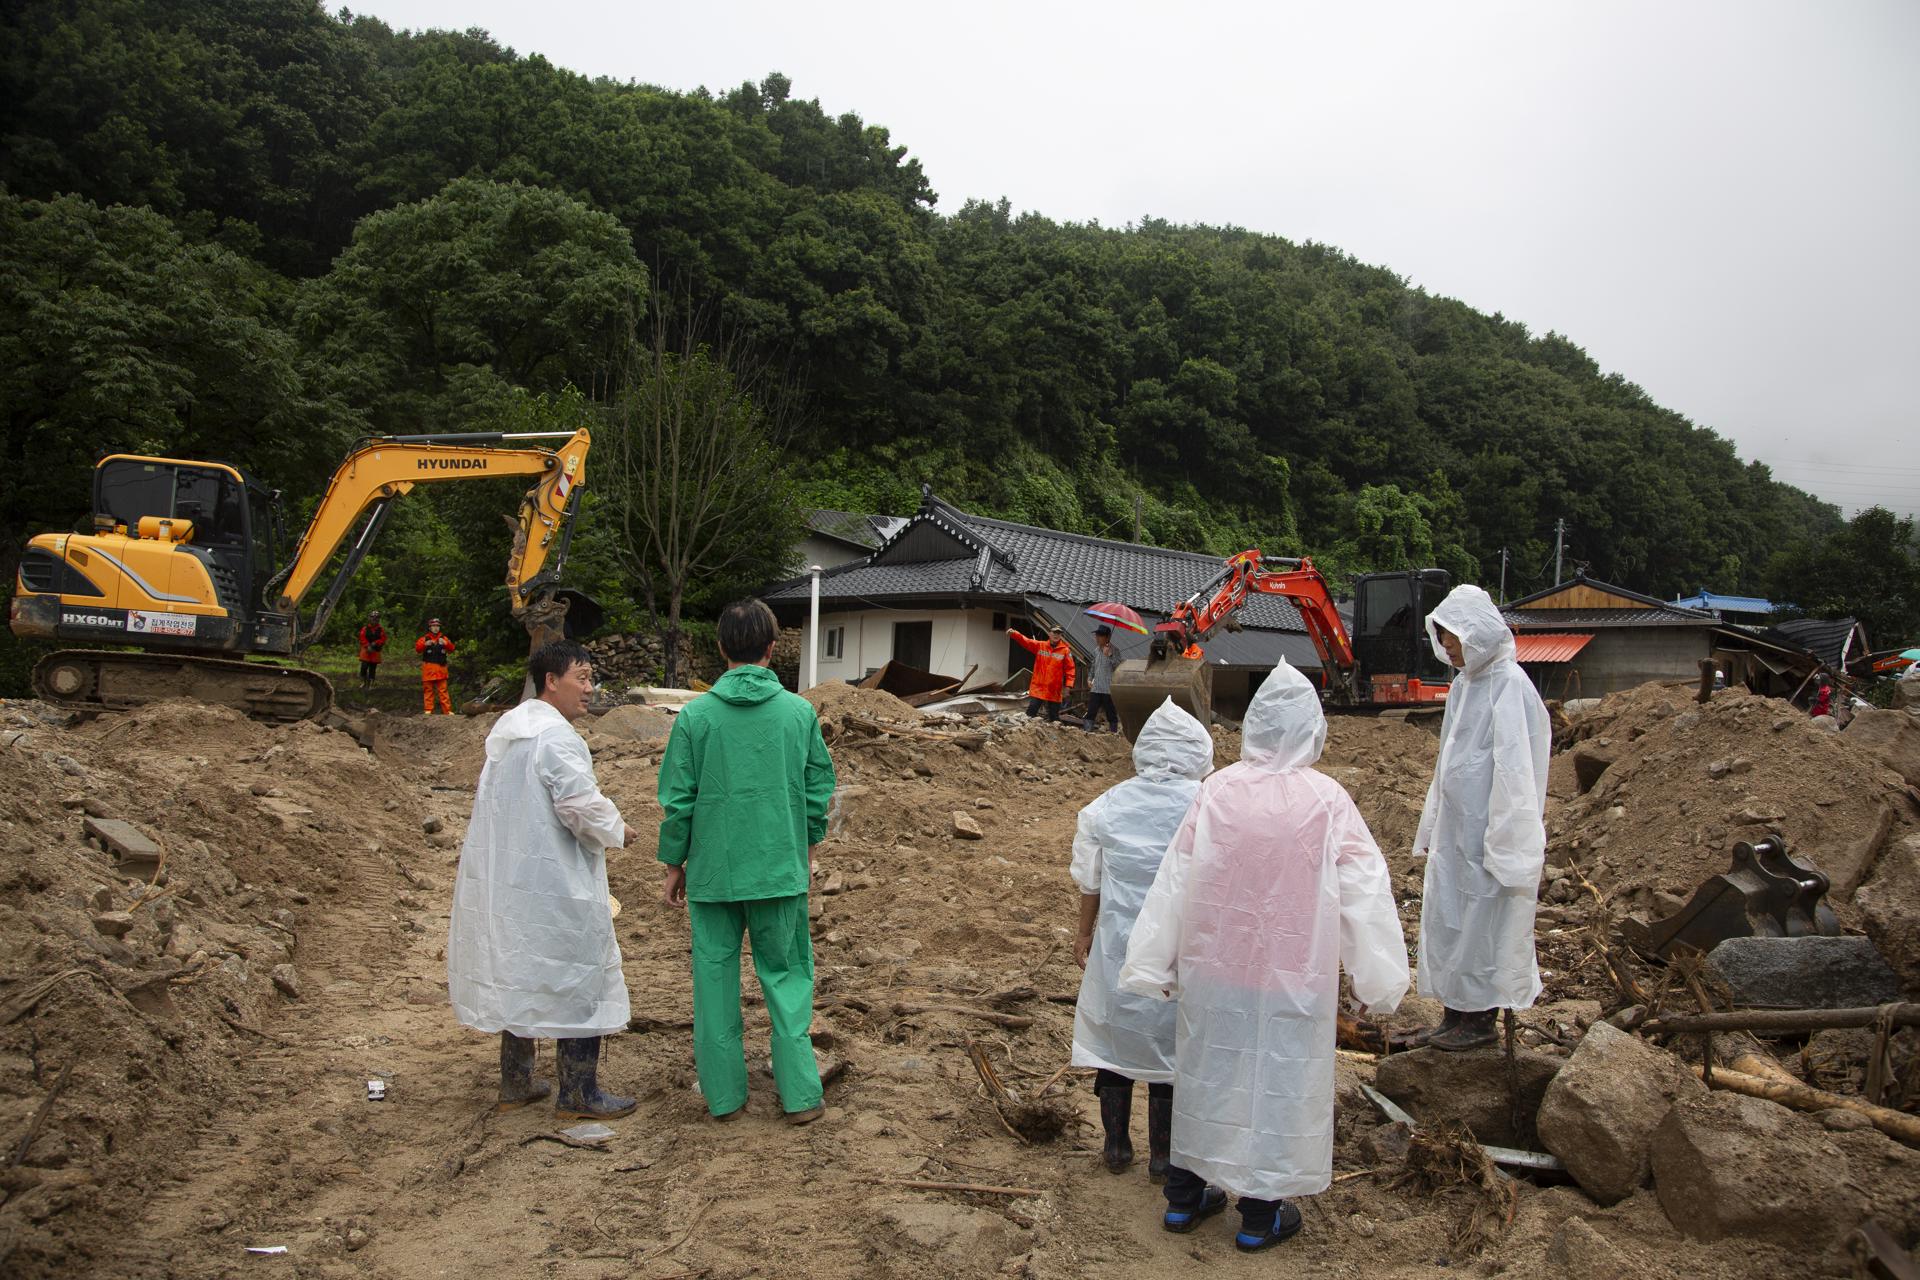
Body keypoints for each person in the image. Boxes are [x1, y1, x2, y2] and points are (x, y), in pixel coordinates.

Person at [1120, 663, 1408, 1251]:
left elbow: (1175, 879)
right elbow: (1364, 890)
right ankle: (1259, 1215)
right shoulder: (1327, 800)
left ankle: (1183, 1198)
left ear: (1253, 725)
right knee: (1276, 1085)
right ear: (1312, 728)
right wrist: (1377, 980)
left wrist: (1152, 961)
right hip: (1291, 977)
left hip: (1215, 972)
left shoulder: (1218, 789)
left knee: (1208, 1076)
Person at [657, 598, 837, 1124]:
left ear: (720, 648)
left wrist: (674, 863)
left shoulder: (695, 715)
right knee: (785, 977)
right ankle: (801, 1094)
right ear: (772, 649)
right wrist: (807, 848)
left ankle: (724, 1097)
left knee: (713, 981)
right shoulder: (799, 712)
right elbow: (817, 788)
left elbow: (679, 798)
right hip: (780, 869)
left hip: (712, 873)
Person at [445, 640, 637, 1119]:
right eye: (583, 677)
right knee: (578, 972)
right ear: (552, 681)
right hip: (554, 881)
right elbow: (578, 806)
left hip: (512, 878)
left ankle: (516, 1081)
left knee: (521, 968)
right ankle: (578, 1093)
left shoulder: (510, 734)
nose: (590, 689)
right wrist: (619, 829)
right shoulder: (557, 738)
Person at [1071, 698, 1214, 1181]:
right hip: (1180, 949)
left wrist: (1083, 932)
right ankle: (1163, 1156)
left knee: (1115, 1039)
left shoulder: (1107, 805)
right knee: (1171, 1048)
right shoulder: (1209, 806)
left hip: (1117, 946)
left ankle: (1114, 1145)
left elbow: (1089, 880)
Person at [1412, 584, 1552, 1053]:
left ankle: (1479, 1019)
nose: (1446, 645)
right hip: (1459, 831)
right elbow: (1448, 762)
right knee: (1451, 920)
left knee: (1483, 921)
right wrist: (1434, 825)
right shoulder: (1464, 686)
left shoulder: (1509, 686)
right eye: (1443, 635)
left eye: (1453, 636)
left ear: (1477, 633)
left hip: (1489, 832)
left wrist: (1508, 839)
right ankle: (1455, 1013)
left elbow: (1516, 772)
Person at [1009, 623, 1076, 722]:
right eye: (1054, 632)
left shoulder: (1065, 651)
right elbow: (1026, 642)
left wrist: (1068, 686)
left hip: (1054, 690)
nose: (1056, 635)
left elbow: (1070, 669)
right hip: (1039, 688)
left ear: (1061, 635)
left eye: (1059, 633)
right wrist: (1015, 634)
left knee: (1054, 719)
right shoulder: (1041, 646)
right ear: (1049, 633)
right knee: (1030, 714)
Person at [1083, 625, 1121, 733]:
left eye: (1100, 636)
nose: (1097, 638)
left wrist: (1109, 655)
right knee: (1091, 712)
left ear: (1107, 637)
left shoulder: (1115, 651)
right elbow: (1093, 666)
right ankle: (1087, 732)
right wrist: (1090, 678)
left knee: (1111, 713)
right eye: (1097, 635)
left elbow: (1118, 667)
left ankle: (1113, 734)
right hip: (1096, 687)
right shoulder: (1096, 651)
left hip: (1108, 689)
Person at [416, 618, 455, 715]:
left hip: (441, 669)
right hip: (428, 669)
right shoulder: (424, 639)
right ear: (430, 628)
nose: (436, 628)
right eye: (434, 626)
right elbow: (417, 649)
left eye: (437, 626)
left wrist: (446, 644)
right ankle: (428, 710)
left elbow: (452, 649)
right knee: (428, 690)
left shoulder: (444, 638)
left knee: (443, 691)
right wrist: (425, 644)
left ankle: (447, 711)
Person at [357, 610, 387, 690]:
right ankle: (363, 682)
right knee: (364, 666)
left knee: (372, 668)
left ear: (378, 619)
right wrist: (368, 646)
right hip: (366, 650)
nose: (374, 619)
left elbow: (383, 639)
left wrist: (376, 643)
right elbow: (362, 638)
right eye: (372, 617)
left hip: (375, 651)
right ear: (369, 618)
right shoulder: (365, 628)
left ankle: (371, 684)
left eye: (376, 618)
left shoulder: (381, 630)